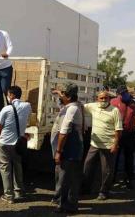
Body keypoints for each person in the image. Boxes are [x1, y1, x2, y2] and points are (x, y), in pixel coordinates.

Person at [0, 86, 31, 204]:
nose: (7, 97)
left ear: (12, 95)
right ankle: (19, 191)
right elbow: (26, 120)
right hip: (18, 143)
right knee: (18, 166)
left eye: (8, 95)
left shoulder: (6, 109)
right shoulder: (27, 106)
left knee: (5, 168)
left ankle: (9, 195)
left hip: (4, 143)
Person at [82, 91, 122, 200]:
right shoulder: (93, 107)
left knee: (107, 171)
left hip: (108, 146)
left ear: (109, 99)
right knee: (87, 166)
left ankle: (104, 191)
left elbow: (118, 130)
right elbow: (79, 107)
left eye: (106, 98)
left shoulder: (115, 110)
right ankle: (85, 188)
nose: (104, 100)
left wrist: (115, 144)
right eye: (101, 98)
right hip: (94, 144)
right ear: (97, 99)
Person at [51, 83, 84, 213]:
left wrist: (58, 151)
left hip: (70, 149)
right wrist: (59, 93)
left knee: (66, 179)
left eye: (64, 94)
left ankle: (65, 206)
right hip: (72, 149)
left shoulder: (72, 109)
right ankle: (68, 204)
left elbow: (63, 133)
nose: (61, 96)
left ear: (69, 97)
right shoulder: (72, 105)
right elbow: (62, 103)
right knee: (66, 177)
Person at [111, 85, 135, 189]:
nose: (125, 94)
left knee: (129, 158)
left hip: (129, 134)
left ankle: (129, 179)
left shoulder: (133, 103)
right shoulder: (113, 102)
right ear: (118, 94)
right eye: (122, 93)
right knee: (114, 158)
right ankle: (112, 179)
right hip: (116, 134)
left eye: (126, 92)